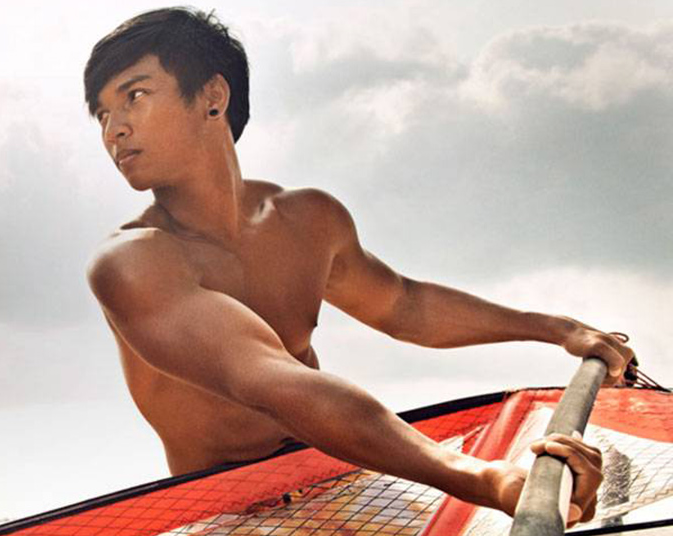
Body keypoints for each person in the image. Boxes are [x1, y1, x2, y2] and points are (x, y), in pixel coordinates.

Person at [82, 7, 637, 525]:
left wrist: (559, 330)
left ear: (212, 96)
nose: (114, 130)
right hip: (230, 515)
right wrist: (484, 478)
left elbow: (405, 305)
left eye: (134, 96)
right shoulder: (132, 263)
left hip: (347, 485)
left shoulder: (307, 219)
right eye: (104, 113)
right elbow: (278, 385)